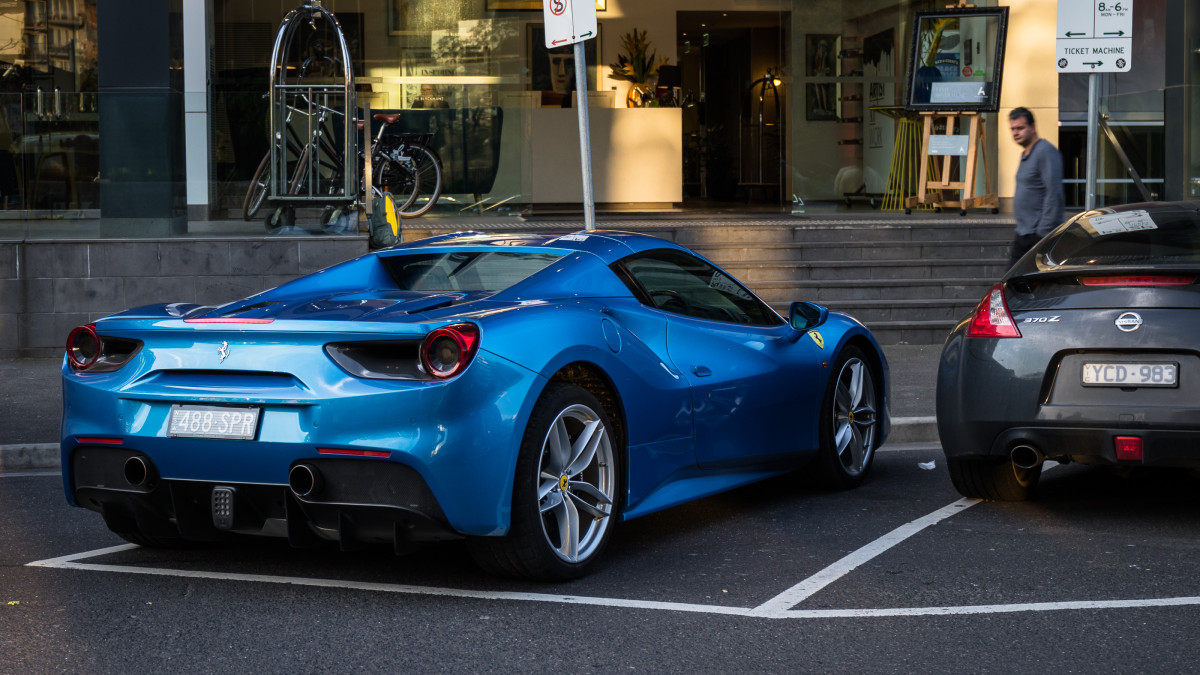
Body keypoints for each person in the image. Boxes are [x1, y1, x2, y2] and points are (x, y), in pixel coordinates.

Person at [1007, 106, 1064, 267]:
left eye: (1020, 128)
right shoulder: (1025, 154)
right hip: (1024, 233)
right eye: (1012, 129)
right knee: (1011, 282)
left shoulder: (1045, 152)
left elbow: (1054, 194)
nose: (1015, 133)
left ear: (1032, 127)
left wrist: (1042, 234)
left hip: (1039, 236)